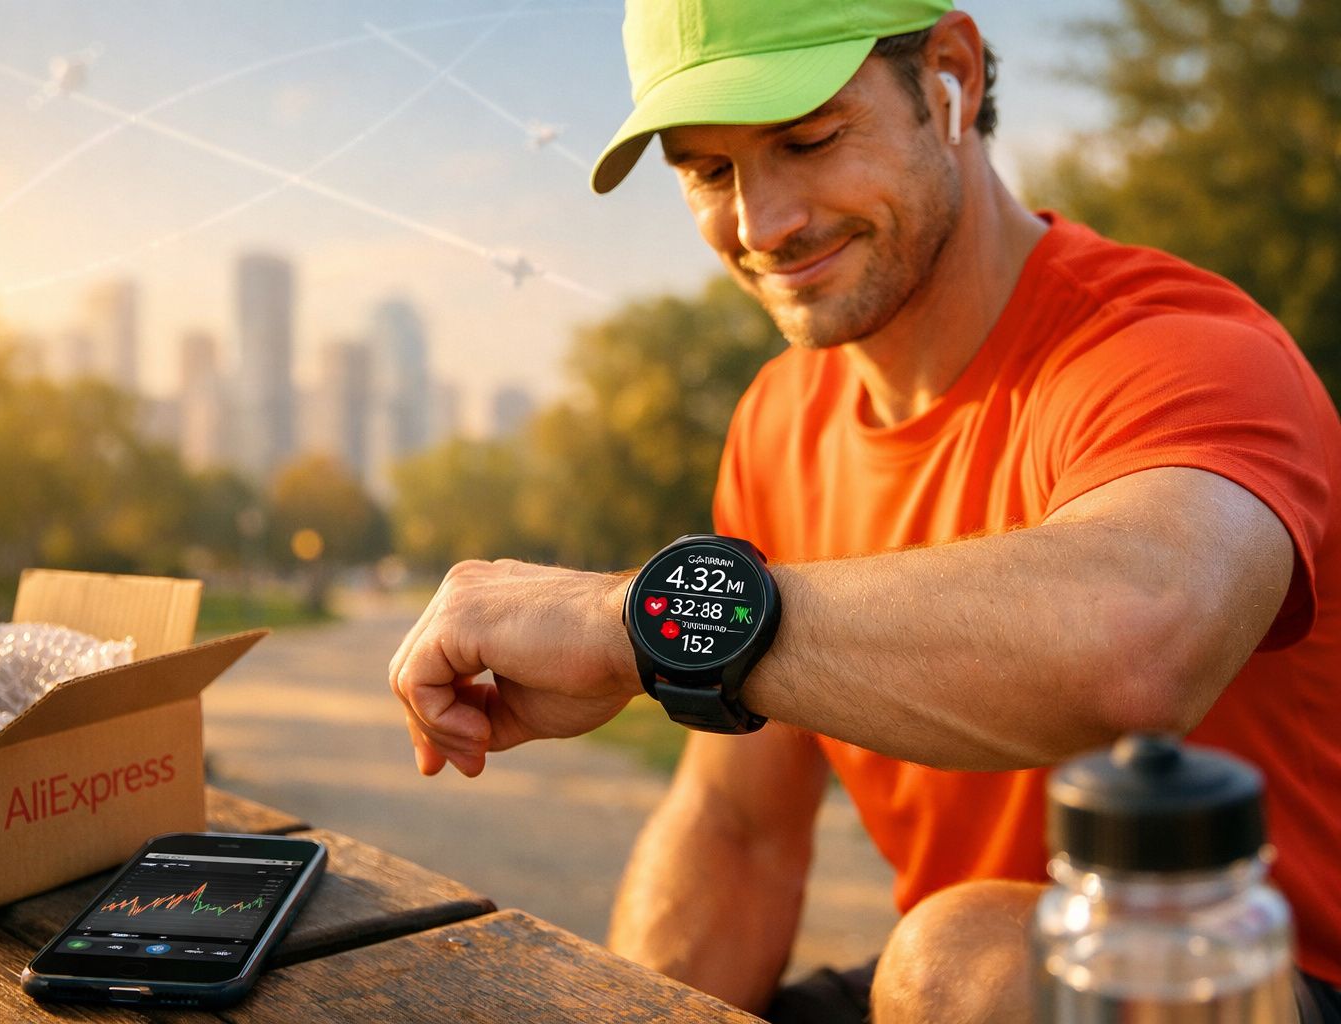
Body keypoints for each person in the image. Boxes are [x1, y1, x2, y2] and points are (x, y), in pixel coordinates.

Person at [387, 1, 1341, 1020]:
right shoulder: (775, 420)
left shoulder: (1181, 348)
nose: (763, 225)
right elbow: (740, 828)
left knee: (955, 960)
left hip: (1256, 981)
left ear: (950, 80)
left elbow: (1140, 644)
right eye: (710, 172)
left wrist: (635, 620)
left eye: (808, 139)